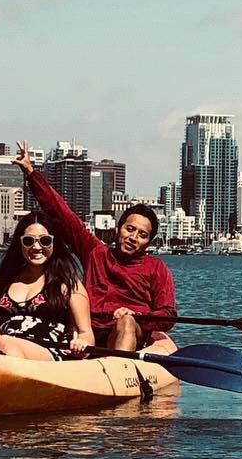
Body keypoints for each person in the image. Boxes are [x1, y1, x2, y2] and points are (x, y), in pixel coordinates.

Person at [13, 141, 177, 354]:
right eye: (130, 229)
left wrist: (137, 316)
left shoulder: (156, 268)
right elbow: (62, 214)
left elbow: (167, 314)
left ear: (149, 241)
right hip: (89, 330)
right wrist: (31, 172)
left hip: (129, 331)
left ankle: (119, 375)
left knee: (125, 323)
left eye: (142, 235)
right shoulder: (95, 252)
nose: (133, 237)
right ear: (118, 229)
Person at [0, 212, 95, 361]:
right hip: (3, 350)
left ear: (54, 243)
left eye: (44, 241)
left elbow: (86, 333)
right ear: (20, 244)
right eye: (28, 241)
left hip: (50, 354)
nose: (36, 247)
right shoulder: (5, 281)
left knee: (7, 343)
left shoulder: (68, 284)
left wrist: (82, 344)